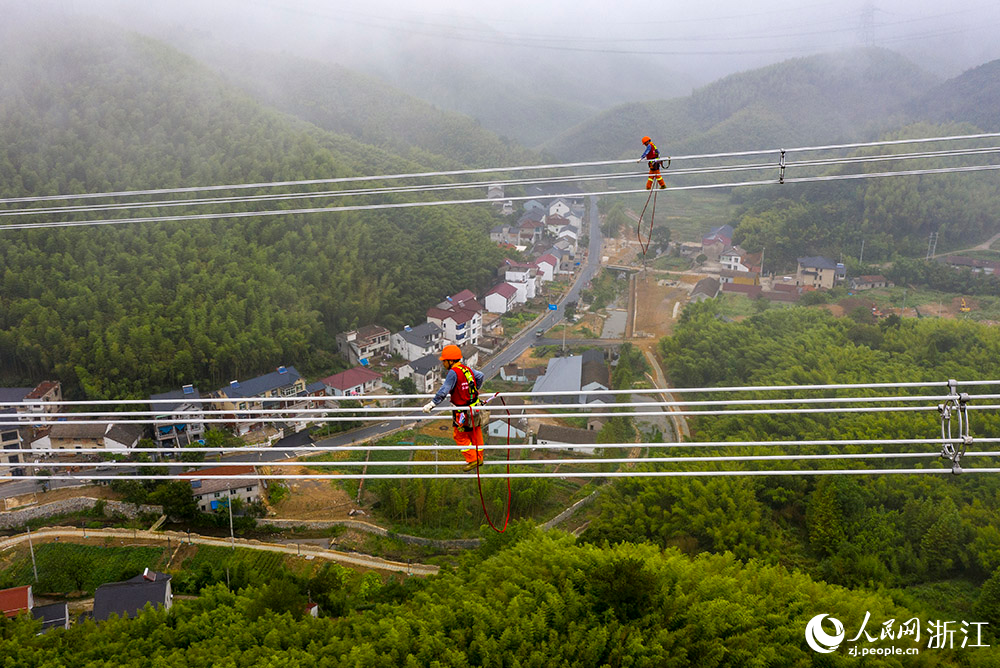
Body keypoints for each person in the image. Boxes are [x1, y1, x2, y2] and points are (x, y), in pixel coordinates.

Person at [422, 344, 486, 471]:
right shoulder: (466, 369)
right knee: (475, 432)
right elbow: (480, 376)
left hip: (462, 411)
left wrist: (432, 404)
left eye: (444, 361)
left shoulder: (453, 372)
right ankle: (479, 457)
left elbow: (444, 390)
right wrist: (472, 390)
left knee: (460, 435)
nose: (443, 364)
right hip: (475, 408)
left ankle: (473, 459)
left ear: (451, 361)